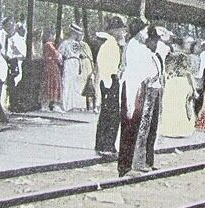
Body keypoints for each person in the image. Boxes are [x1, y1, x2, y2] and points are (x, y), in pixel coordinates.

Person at [118, 22, 163, 177]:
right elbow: (143, 71)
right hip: (134, 87)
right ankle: (125, 166)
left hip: (139, 87)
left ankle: (129, 164)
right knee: (130, 127)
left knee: (134, 128)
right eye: (144, 31)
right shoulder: (135, 47)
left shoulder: (138, 47)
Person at [94, 16, 126, 154]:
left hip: (109, 80)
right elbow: (105, 66)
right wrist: (109, 83)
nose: (122, 33)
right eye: (120, 30)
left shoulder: (111, 44)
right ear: (115, 31)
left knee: (107, 114)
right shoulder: (110, 45)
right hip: (110, 80)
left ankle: (102, 144)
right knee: (112, 114)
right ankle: (107, 144)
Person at [159, 37, 197, 138]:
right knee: (180, 105)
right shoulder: (183, 57)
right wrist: (193, 88)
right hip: (180, 82)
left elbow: (165, 72)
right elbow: (188, 73)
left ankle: (170, 129)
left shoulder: (169, 57)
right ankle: (181, 129)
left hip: (173, 82)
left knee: (172, 105)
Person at [59, 23, 87, 112]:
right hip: (76, 62)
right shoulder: (77, 44)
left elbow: (60, 55)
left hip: (70, 62)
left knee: (68, 82)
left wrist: (61, 63)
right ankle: (72, 105)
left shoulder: (66, 43)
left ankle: (67, 105)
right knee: (74, 83)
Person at [40, 30, 63, 111]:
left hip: (50, 66)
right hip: (52, 67)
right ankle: (49, 103)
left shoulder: (47, 45)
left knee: (51, 83)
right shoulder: (49, 45)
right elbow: (57, 55)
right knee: (52, 83)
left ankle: (50, 103)